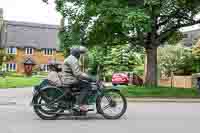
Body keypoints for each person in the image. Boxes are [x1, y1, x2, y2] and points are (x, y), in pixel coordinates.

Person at [62, 46, 95, 112]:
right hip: (70, 80)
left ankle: (82, 103)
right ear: (76, 53)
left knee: (84, 82)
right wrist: (89, 78)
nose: (80, 55)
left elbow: (77, 72)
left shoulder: (71, 58)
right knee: (87, 86)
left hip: (68, 79)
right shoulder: (73, 60)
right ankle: (78, 104)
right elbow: (77, 74)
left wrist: (86, 76)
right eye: (79, 53)